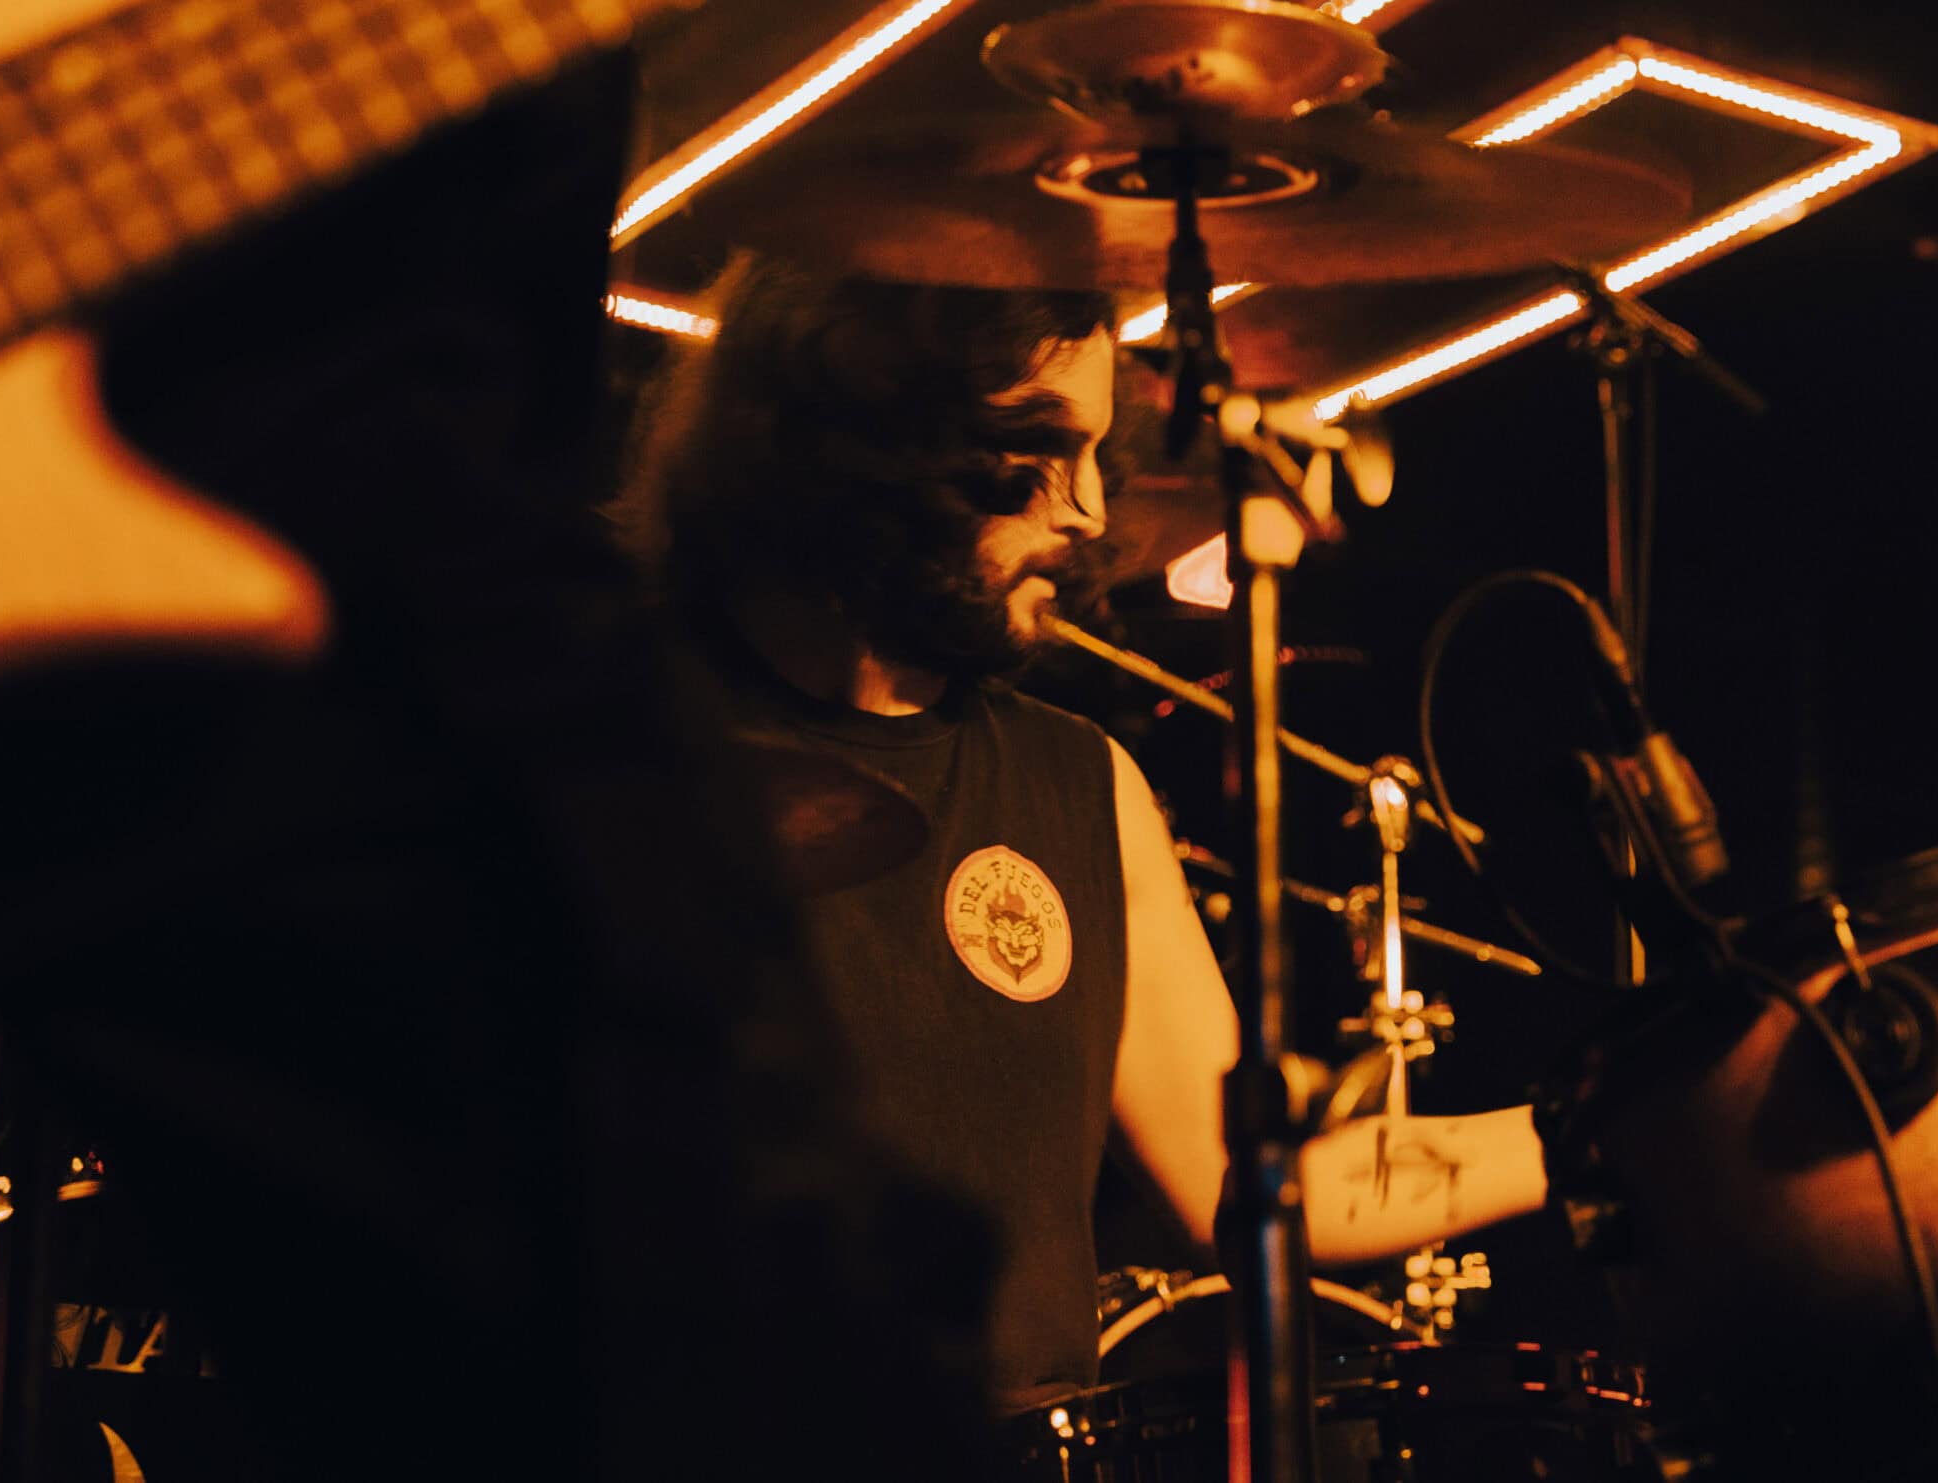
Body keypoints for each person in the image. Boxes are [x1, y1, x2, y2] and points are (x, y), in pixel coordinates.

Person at [614, 256, 1551, 1412]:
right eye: (1036, 447)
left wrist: (1585, 1134)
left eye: (1096, 453)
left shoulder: (1082, 784)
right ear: (861, 434)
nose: (1091, 510)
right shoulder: (614, 744)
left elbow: (1246, 1185)